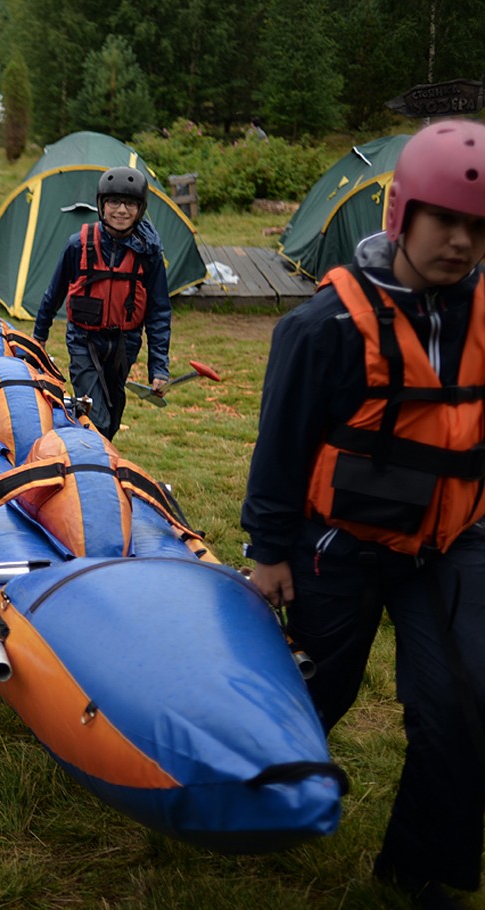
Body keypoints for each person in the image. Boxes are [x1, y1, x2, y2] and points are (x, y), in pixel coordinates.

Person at [243, 120, 485, 910]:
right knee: (318, 690)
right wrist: (268, 551)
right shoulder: (327, 325)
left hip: (448, 544)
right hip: (337, 545)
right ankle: (246, 802)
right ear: (403, 213)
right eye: (444, 219)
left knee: (462, 705)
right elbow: (282, 444)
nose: (461, 241)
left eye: (478, 227)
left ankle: (421, 868)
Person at [31, 166, 171, 439]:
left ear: (140, 209)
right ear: (101, 205)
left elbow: (159, 312)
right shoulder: (77, 245)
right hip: (84, 340)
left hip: (124, 343)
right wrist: (39, 338)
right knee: (96, 416)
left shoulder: (149, 253)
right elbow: (53, 294)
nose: (121, 210)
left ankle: (89, 450)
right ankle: (90, 455)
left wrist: (159, 367)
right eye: (114, 202)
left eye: (130, 204)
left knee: (112, 415)